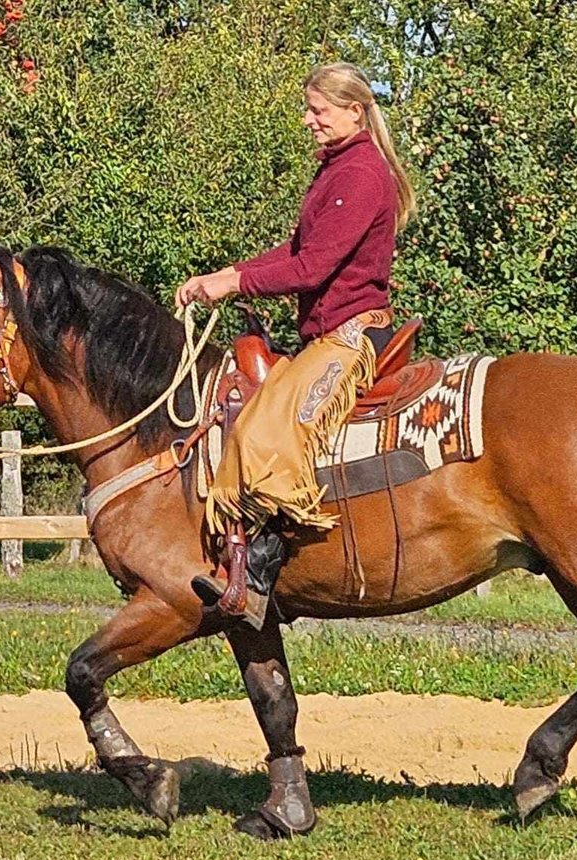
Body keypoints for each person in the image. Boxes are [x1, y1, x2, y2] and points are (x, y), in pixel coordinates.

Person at [175, 61, 417, 628]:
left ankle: (262, 565)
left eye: (319, 110)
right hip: (325, 334)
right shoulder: (337, 170)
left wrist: (233, 281)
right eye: (309, 109)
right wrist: (228, 273)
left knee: (267, 430)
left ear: (355, 111)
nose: (309, 120)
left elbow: (315, 267)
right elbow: (293, 251)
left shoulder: (360, 174)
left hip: (352, 335)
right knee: (255, 413)